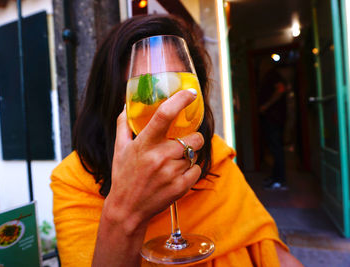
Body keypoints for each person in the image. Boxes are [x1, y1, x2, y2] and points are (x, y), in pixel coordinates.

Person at [51, 15, 303, 266]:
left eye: (176, 91)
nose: (166, 110)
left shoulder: (213, 153)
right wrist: (125, 211)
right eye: (147, 93)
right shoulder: (73, 181)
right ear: (108, 98)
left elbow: (272, 252)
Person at [259, 67, 288, 190]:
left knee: (276, 149)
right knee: (274, 149)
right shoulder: (271, 74)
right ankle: (275, 178)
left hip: (274, 118)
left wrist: (266, 105)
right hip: (272, 118)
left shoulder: (273, 74)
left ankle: (280, 181)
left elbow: (281, 90)